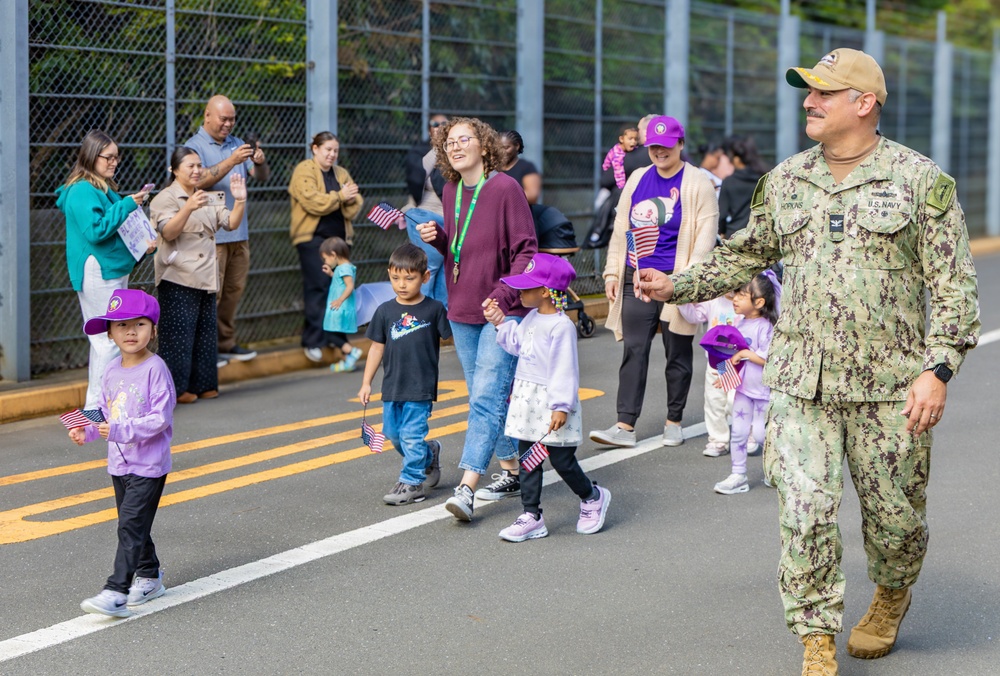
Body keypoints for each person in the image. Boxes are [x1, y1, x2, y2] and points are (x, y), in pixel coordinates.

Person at [633, 48, 980, 674]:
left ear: (864, 103)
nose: (809, 102)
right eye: (807, 91)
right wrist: (675, 284)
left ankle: (892, 593)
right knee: (805, 509)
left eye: (823, 92)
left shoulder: (919, 181)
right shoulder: (786, 180)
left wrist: (938, 370)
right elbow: (745, 254)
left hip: (890, 387)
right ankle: (816, 638)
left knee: (896, 520)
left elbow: (954, 288)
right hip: (800, 382)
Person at [416, 117, 537, 523]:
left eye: (463, 139)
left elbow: (526, 252)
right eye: (449, 142)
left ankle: (466, 487)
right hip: (463, 307)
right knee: (484, 396)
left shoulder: (505, 188)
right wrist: (440, 239)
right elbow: (462, 248)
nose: (454, 146)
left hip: (501, 311)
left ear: (484, 146)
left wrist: (503, 296)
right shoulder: (451, 190)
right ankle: (513, 469)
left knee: (486, 396)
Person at [589, 115, 719, 449]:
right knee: (634, 348)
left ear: (681, 144)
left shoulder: (698, 182)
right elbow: (621, 228)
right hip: (637, 277)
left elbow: (705, 237)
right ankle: (624, 425)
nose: (660, 151)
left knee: (677, 352)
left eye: (667, 145)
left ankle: (674, 420)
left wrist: (684, 281)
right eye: (654, 146)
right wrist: (613, 272)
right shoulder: (637, 178)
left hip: (677, 282)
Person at [484, 253, 611, 542]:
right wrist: (500, 322)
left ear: (544, 291)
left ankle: (592, 497)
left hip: (552, 404)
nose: (520, 291)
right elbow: (518, 346)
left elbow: (564, 368)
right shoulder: (531, 317)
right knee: (528, 459)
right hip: (528, 404)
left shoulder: (561, 326)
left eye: (526, 287)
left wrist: (561, 406)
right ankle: (531, 515)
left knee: (562, 460)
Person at [69, 289, 176, 618]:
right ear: (110, 333)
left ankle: (116, 592)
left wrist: (118, 430)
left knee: (130, 525)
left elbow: (160, 419)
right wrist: (86, 431)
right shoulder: (112, 370)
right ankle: (150, 576)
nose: (131, 332)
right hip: (119, 463)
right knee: (132, 523)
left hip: (149, 464)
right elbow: (105, 413)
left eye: (139, 324)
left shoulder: (156, 369)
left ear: (153, 330)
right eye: (121, 325)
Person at [56, 130, 154, 412]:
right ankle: (95, 410)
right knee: (106, 340)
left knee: (107, 339)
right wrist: (126, 204)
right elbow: (96, 231)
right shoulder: (81, 190)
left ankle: (101, 406)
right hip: (98, 270)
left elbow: (115, 231)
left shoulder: (101, 188)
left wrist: (143, 246)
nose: (114, 162)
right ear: (91, 156)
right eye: (108, 157)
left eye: (116, 157)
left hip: (109, 269)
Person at [150, 147, 246, 404]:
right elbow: (168, 232)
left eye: (199, 165)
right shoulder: (165, 198)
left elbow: (230, 223)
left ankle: (204, 384)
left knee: (205, 334)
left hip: (205, 274)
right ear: (174, 170)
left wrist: (239, 201)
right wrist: (188, 207)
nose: (196, 170)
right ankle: (177, 388)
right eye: (190, 166)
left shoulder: (206, 195)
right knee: (178, 336)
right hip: (178, 274)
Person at [358, 243, 452, 505]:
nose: (401, 284)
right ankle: (429, 453)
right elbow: (376, 348)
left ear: (425, 277)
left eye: (409, 278)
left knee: (411, 436)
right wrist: (366, 383)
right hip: (392, 387)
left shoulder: (434, 309)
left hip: (421, 388)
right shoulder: (384, 311)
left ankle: (412, 482)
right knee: (393, 434)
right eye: (395, 277)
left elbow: (452, 334)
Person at [185, 95, 270, 367]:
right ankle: (207, 350)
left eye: (232, 119)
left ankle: (225, 344)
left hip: (239, 234)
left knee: (233, 292)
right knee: (212, 294)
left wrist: (259, 161)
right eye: (223, 119)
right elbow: (196, 180)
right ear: (207, 115)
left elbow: (261, 177)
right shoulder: (193, 147)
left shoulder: (237, 143)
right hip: (211, 237)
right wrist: (232, 160)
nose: (229, 124)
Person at [288, 131, 364, 362]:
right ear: (315, 148)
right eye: (327, 149)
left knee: (340, 289)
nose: (332, 154)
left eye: (335, 150)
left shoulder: (341, 173)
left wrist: (347, 198)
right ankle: (314, 340)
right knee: (319, 287)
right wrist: (340, 196)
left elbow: (356, 203)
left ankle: (336, 339)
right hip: (313, 239)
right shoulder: (304, 170)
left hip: (339, 242)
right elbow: (313, 202)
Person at [711, 271, 779, 495]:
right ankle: (738, 474)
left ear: (759, 303)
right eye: (736, 294)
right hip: (743, 391)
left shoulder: (766, 327)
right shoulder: (739, 324)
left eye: (742, 295)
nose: (735, 299)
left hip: (763, 393)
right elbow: (730, 355)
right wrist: (725, 375)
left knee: (760, 435)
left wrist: (745, 353)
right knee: (738, 433)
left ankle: (776, 468)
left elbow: (768, 358)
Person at [677, 290, 741, 457]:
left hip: (740, 363)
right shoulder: (713, 298)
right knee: (714, 401)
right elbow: (694, 316)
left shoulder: (746, 298)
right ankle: (718, 440)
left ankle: (748, 432)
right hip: (717, 362)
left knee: (736, 401)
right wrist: (680, 299)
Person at [403, 114, 449, 305]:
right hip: (426, 217)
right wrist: (439, 147)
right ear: (429, 128)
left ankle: (441, 318)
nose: (439, 127)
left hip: (451, 220)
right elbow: (416, 178)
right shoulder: (420, 152)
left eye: (444, 124)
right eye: (435, 124)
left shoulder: (457, 153)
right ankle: (421, 315)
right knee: (428, 269)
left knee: (446, 273)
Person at [319, 236, 362, 372]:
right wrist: (332, 274)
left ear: (333, 255)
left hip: (340, 307)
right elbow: (341, 282)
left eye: (325, 258)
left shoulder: (344, 268)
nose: (325, 262)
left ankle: (352, 351)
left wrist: (339, 300)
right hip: (341, 307)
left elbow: (349, 286)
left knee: (330, 334)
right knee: (339, 334)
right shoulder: (343, 268)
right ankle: (349, 361)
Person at [718, 135, 769, 239]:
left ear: (736, 159)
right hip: (760, 235)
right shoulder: (765, 178)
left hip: (735, 235)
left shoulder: (729, 182)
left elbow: (721, 215)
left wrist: (721, 232)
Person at [499, 130, 542, 205]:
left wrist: (503, 197)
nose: (502, 152)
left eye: (506, 147)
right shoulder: (493, 167)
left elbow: (532, 196)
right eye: (499, 148)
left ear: (517, 146)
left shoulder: (526, 167)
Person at [602, 123, 640, 189]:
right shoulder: (617, 154)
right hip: (610, 176)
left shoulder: (632, 149)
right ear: (621, 139)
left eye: (635, 139)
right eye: (630, 139)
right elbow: (618, 172)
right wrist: (622, 188)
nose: (633, 142)